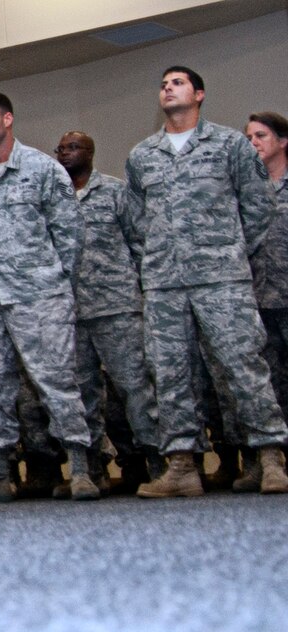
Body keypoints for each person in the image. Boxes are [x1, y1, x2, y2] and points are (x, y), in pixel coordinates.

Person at [122, 68, 288, 496]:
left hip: (221, 279)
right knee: (170, 373)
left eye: (177, 82)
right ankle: (181, 467)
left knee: (243, 366)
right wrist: (159, 258)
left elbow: (259, 206)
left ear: (198, 94)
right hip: (163, 283)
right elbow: (137, 221)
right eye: (162, 83)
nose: (167, 88)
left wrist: (229, 251)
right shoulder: (143, 155)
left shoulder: (230, 144)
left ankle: (270, 458)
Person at [0, 92, 94, 503]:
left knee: (57, 382)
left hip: (38, 296)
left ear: (8, 119)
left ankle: (80, 467)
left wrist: (54, 282)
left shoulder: (43, 168)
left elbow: (70, 234)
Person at [56, 131, 156, 498]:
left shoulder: (115, 192)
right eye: (61, 149)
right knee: (81, 395)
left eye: (74, 148)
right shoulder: (53, 199)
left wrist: (146, 296)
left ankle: (155, 461)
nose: (66, 154)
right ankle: (91, 469)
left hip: (117, 307)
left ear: (91, 152)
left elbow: (141, 244)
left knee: (135, 389)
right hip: (69, 313)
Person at [245, 111, 288, 492]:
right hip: (259, 300)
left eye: (261, 136)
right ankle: (273, 462)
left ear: (283, 141)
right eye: (249, 137)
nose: (254, 143)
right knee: (270, 385)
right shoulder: (247, 190)